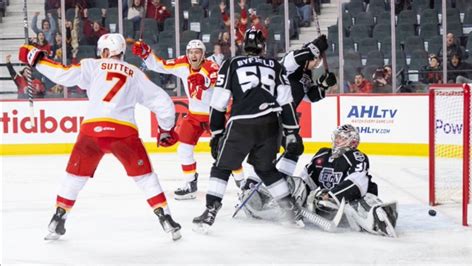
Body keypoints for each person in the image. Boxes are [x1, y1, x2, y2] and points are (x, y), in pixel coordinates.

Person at [18, 33, 182, 241]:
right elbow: (163, 102)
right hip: (124, 132)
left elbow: (62, 74)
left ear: (105, 52)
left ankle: (57, 218)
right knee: (145, 177)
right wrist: (166, 128)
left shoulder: (92, 66)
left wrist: (36, 58)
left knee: (74, 176)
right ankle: (165, 219)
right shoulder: (135, 73)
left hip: (91, 131)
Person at [192, 28, 304, 233]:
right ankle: (291, 210)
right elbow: (286, 103)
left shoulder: (232, 63)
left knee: (222, 167)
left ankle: (210, 211)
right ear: (263, 46)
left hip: (242, 123)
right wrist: (292, 132)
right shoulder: (276, 65)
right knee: (266, 169)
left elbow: (219, 102)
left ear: (245, 45)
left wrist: (217, 134)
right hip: (271, 124)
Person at [239, 124, 398, 237]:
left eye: (342, 139)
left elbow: (358, 182)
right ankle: (264, 201)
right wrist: (294, 193)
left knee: (362, 202)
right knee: (295, 184)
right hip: (323, 202)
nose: (337, 141)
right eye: (337, 137)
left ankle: (377, 217)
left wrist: (332, 194)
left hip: (349, 200)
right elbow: (306, 178)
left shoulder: (356, 157)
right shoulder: (323, 154)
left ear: (353, 142)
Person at [132, 39, 244, 200]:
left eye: (197, 52)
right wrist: (146, 54)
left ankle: (242, 184)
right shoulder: (182, 63)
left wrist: (203, 82)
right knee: (183, 149)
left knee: (226, 150)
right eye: (191, 52)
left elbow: (214, 79)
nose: (193, 55)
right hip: (193, 115)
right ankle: (190, 184)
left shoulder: (211, 66)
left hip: (215, 115)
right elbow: (160, 65)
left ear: (203, 54)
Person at [242, 35, 336, 187]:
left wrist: (323, 85)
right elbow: (299, 56)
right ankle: (251, 186)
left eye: (318, 60)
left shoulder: (306, 75)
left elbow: (311, 97)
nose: (317, 62)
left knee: (295, 148)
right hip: (269, 114)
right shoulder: (290, 63)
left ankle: (283, 183)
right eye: (315, 59)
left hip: (285, 119)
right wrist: (316, 46)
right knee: (266, 153)